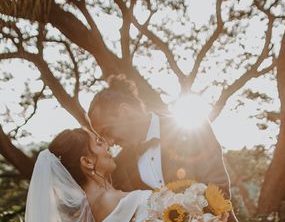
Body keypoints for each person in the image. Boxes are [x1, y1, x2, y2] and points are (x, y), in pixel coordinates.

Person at [88, 75, 236, 220]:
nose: (109, 142)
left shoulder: (192, 128)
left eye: (107, 132)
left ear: (125, 112)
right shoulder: (120, 166)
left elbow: (219, 188)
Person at [25, 127, 152, 222]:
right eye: (98, 142)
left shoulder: (77, 215)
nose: (106, 145)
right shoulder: (121, 200)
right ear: (87, 162)